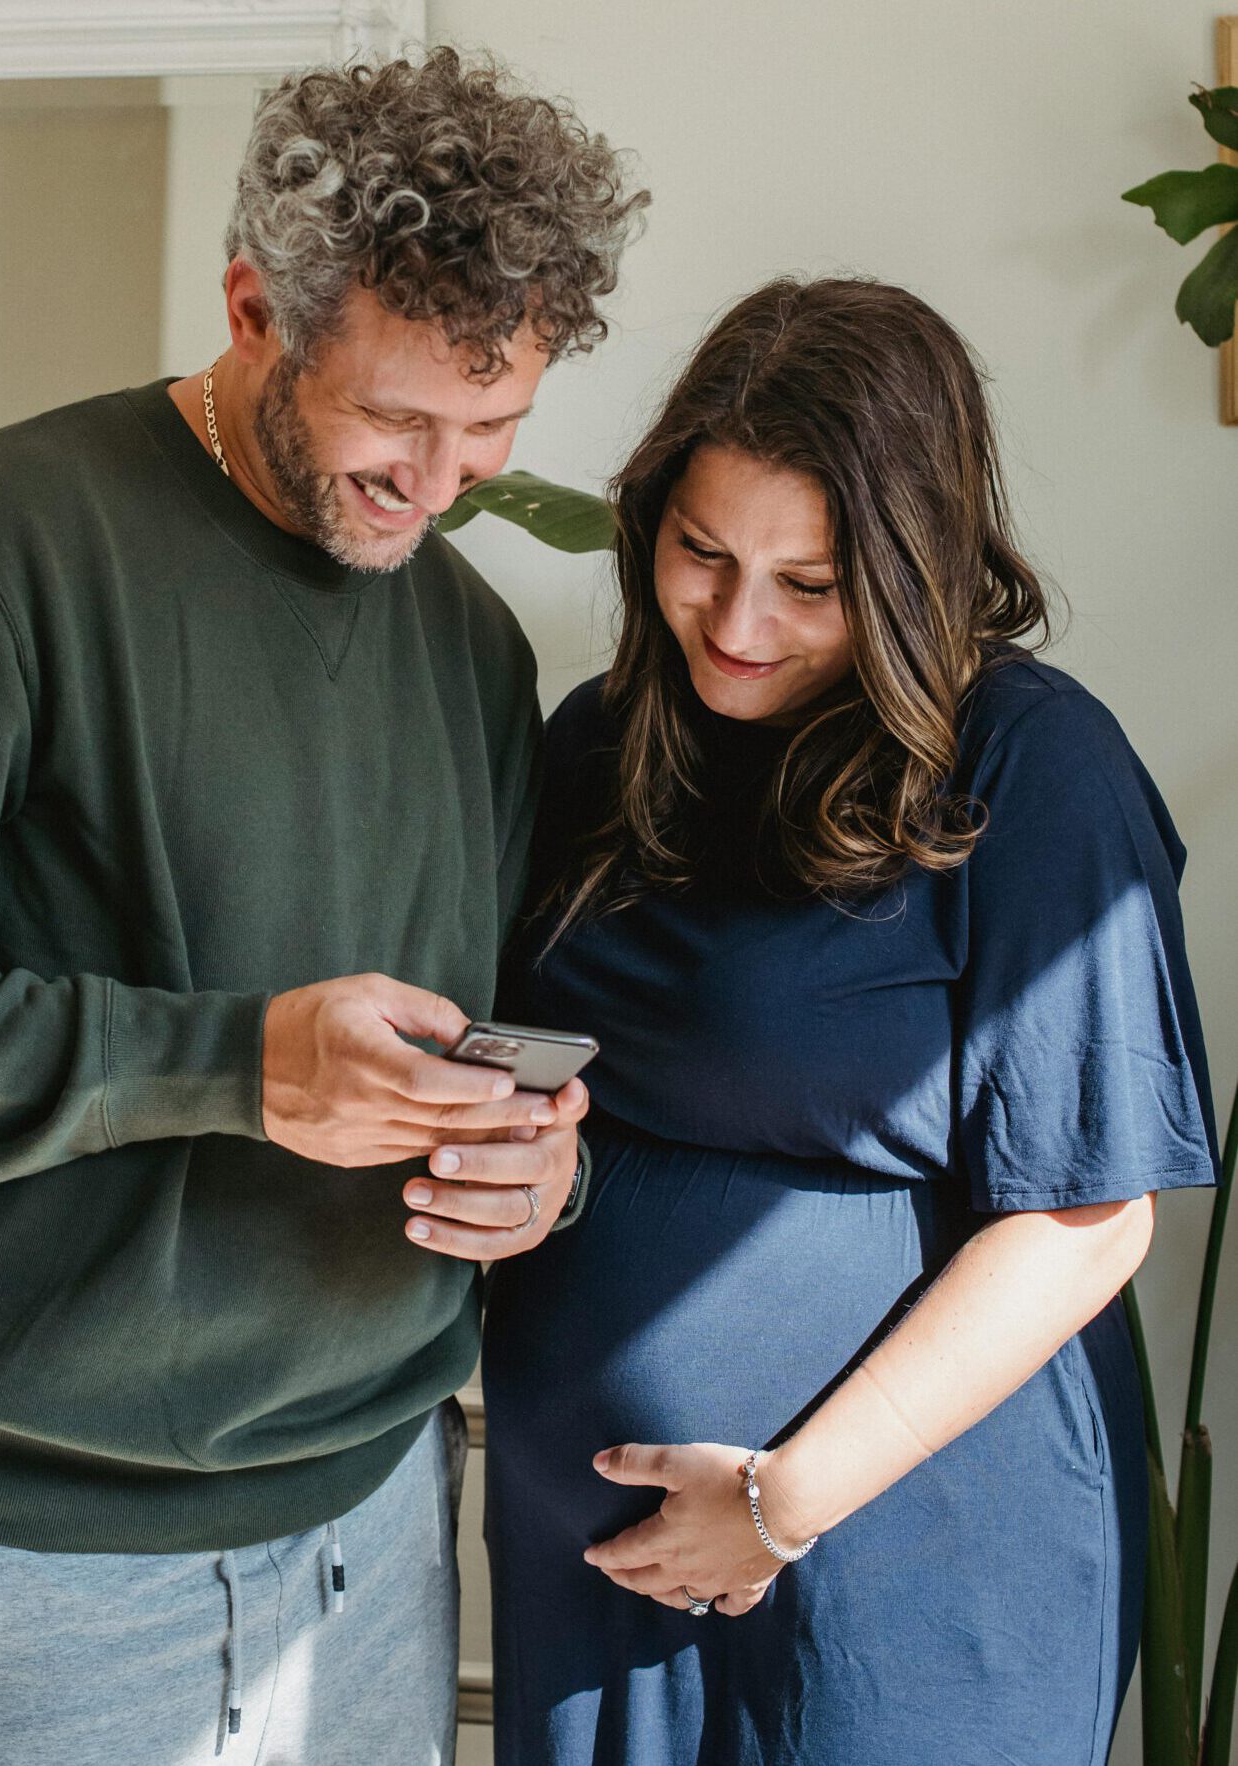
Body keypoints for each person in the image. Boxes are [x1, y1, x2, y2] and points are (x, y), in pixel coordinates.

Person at [0, 50, 645, 1766]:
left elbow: (472, 1038)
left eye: (492, 431)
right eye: (395, 421)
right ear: (256, 310)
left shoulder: (475, 648)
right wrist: (237, 1063)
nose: (440, 485)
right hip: (50, 1554)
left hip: (381, 1512)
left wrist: (539, 1167)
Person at [472, 276, 1221, 1764]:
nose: (737, 623)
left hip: (905, 1559)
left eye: (808, 586)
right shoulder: (599, 746)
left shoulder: (1029, 766)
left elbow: (1088, 1216)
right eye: (702, 553)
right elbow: (560, 1084)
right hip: (596, 1567)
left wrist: (777, 1502)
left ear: (913, 569)